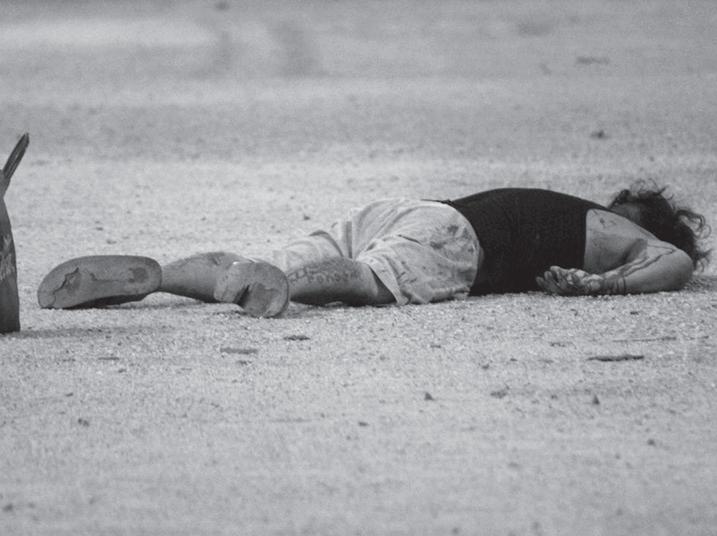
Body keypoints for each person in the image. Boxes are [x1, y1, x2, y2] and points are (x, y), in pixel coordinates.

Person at [37, 183, 710, 318]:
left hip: (406, 212)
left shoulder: (567, 211)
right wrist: (609, 285)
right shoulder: (631, 235)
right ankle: (287, 287)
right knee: (366, 280)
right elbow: (673, 264)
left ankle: (160, 277)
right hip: (454, 237)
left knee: (247, 268)